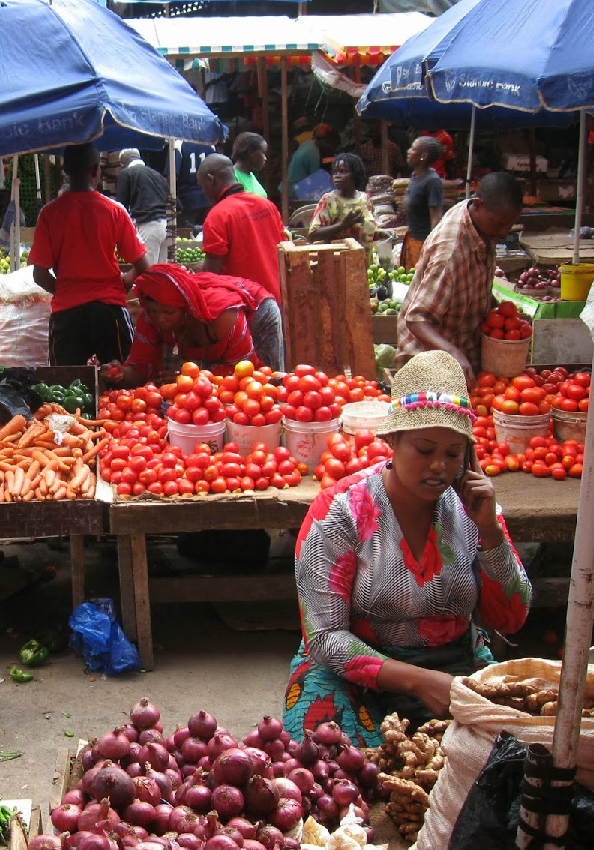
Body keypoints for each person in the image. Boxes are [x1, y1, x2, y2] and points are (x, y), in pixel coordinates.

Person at [284, 350, 531, 746]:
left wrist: (490, 531)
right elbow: (326, 637)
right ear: (393, 440)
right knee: (333, 769)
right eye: (425, 449)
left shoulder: (474, 511)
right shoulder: (339, 511)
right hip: (357, 671)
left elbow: (512, 619)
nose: (439, 466)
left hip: (455, 666)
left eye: (453, 454)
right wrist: (419, 683)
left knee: (510, 763)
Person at [397, 172, 524, 385]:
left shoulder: (481, 220)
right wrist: (452, 352)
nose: (504, 232)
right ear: (478, 205)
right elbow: (416, 319)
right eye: (499, 224)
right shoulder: (450, 253)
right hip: (428, 360)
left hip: (463, 344)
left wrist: (505, 318)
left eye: (509, 225)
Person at [30, 142, 149, 366]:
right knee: (123, 382)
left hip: (67, 313)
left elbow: (39, 275)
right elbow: (143, 266)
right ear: (96, 170)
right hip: (109, 309)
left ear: (65, 170)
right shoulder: (115, 210)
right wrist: (125, 281)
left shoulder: (49, 214)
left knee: (63, 387)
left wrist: (66, 290)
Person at [103, 263, 281, 385]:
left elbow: (243, 374)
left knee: (264, 387)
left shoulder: (224, 317)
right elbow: (141, 368)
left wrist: (190, 378)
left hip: (258, 313)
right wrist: (121, 373)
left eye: (169, 312)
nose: (161, 318)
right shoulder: (149, 317)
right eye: (155, 311)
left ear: (186, 308)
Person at [197, 154, 287, 304]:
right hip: (276, 301)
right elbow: (283, 249)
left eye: (202, 186)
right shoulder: (267, 205)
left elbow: (211, 275)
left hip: (244, 306)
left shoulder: (217, 216)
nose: (203, 192)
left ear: (210, 180)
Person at [308, 153, 379, 246]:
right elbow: (313, 235)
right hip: (341, 257)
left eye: (342, 171)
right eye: (334, 172)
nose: (337, 175)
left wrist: (380, 233)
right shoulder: (329, 200)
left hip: (367, 257)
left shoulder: (365, 199)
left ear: (355, 174)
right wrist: (342, 225)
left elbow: (370, 230)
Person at [114, 149, 171, 266]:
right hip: (167, 227)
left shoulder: (126, 174)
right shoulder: (158, 175)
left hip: (148, 226)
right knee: (162, 273)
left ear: (122, 164)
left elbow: (121, 207)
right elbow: (176, 204)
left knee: (147, 273)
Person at [401, 136, 446, 268]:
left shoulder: (432, 181)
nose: (408, 151)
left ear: (423, 156)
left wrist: (431, 249)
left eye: (413, 149)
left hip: (422, 242)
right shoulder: (415, 175)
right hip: (411, 238)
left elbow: (436, 217)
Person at [286, 124, 338, 198]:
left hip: (288, 186)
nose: (332, 149)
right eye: (332, 146)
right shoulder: (314, 154)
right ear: (327, 141)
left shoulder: (309, 144)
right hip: (294, 190)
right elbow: (317, 181)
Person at [231, 132, 269, 199]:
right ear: (251, 153)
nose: (265, 158)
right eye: (263, 153)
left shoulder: (251, 176)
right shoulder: (233, 177)